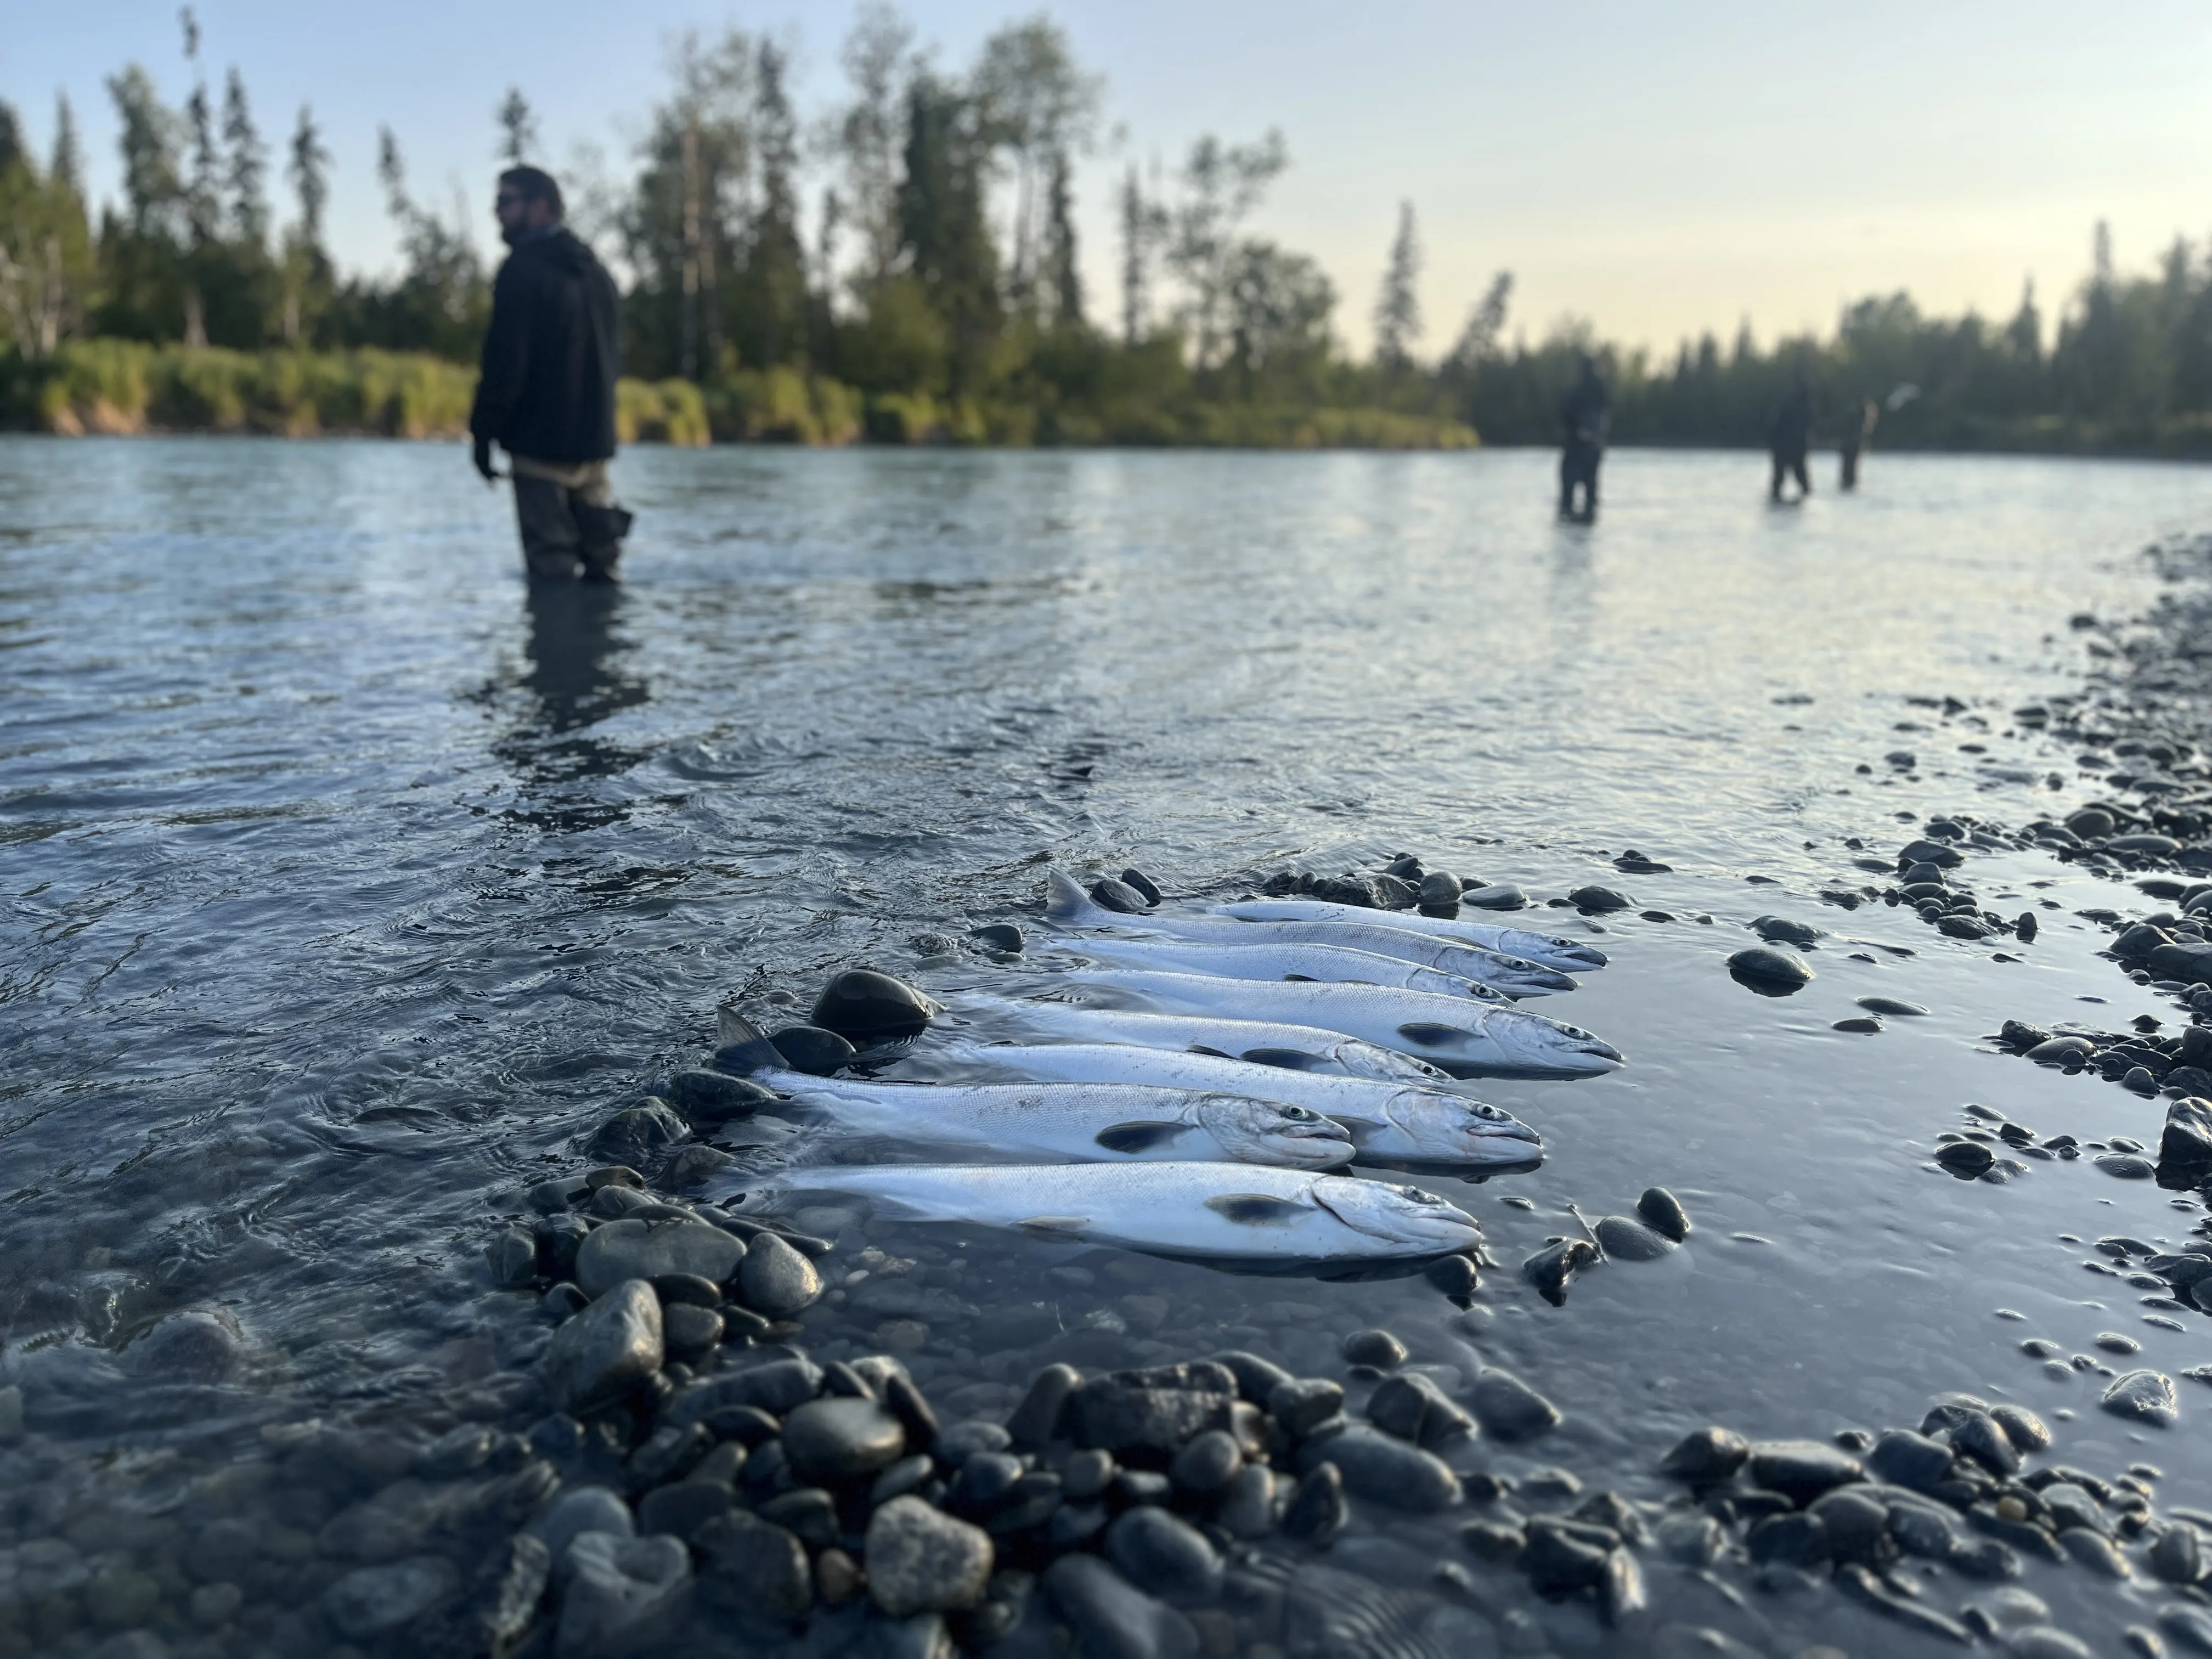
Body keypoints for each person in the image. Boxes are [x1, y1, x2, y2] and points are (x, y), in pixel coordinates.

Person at [469, 166, 631, 582]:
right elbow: (615, 359)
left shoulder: (521, 270)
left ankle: (554, 650)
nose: (497, 213)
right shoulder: (598, 273)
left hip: (540, 453)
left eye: (506, 202)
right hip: (595, 448)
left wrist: (483, 434)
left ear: (540, 207)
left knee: (551, 577)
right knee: (604, 569)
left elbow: (505, 364)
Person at [1558, 353, 1610, 521]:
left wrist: (1581, 432)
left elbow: (1565, 416)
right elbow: (1605, 417)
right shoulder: (1600, 391)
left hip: (1578, 447)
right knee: (1590, 495)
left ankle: (1571, 517)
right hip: (1590, 447)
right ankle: (1585, 516)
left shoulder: (1577, 392)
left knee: (1569, 496)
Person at [1767, 368, 1814, 503]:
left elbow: (1774, 425)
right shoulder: (1802, 406)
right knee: (1790, 480)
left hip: (1789, 448)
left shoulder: (1789, 404)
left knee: (1783, 480)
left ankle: (1778, 499)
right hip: (1792, 447)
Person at [1838, 395, 1878, 490]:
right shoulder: (1864, 419)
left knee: (1848, 465)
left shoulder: (1856, 417)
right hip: (1852, 445)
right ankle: (1849, 483)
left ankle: (1847, 483)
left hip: (1850, 445)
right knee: (1851, 465)